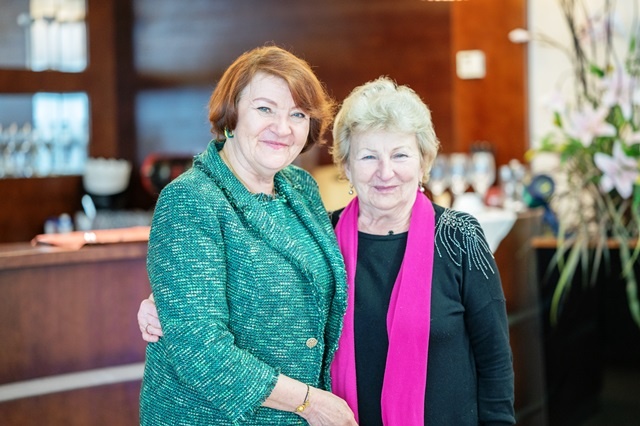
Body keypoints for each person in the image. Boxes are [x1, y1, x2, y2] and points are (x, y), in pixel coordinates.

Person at [139, 77, 516, 425]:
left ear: (423, 161)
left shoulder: (459, 237)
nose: (385, 172)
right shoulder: (321, 235)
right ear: (346, 166)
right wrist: (168, 302)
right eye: (368, 157)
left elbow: (495, 360)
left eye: (400, 155)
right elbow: (261, 288)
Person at [138, 45, 357, 425]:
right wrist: (311, 403)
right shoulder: (190, 199)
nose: (283, 128)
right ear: (233, 113)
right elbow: (201, 351)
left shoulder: (300, 187)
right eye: (265, 109)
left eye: (297, 114)